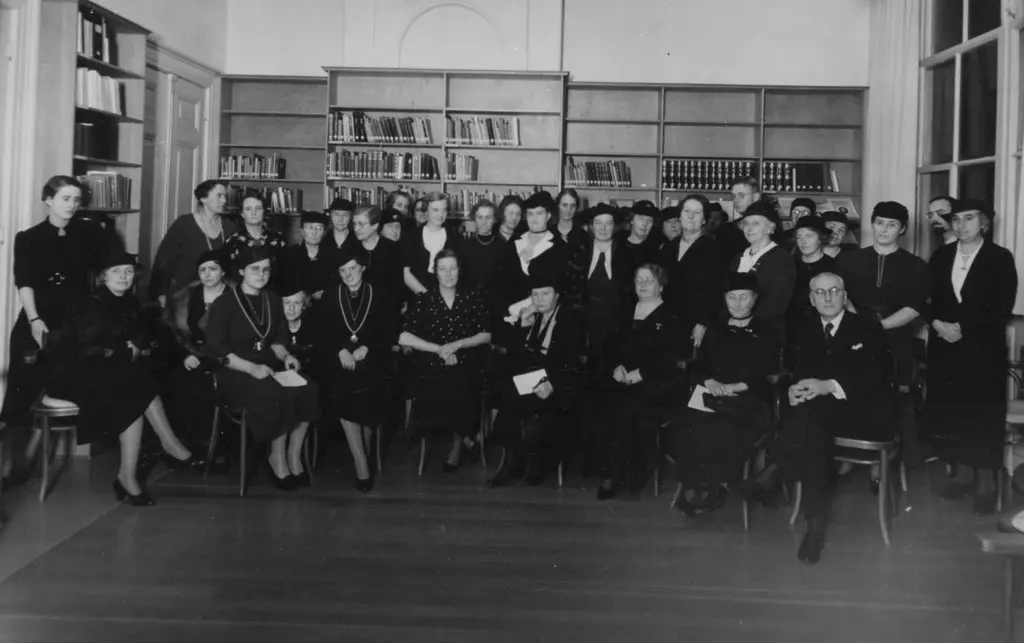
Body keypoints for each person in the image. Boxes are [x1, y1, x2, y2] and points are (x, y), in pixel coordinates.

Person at [47, 252, 205, 506]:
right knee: (136, 386)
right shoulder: (91, 302)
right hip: (79, 372)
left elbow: (141, 337)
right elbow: (85, 345)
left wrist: (135, 344)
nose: (123, 276)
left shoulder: (130, 302)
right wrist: (124, 347)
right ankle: (165, 447)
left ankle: (130, 474)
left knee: (135, 385)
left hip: (116, 372)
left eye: (128, 271)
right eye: (116, 271)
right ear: (103, 277)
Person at [773, 272, 892, 565]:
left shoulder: (868, 327)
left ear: (844, 295)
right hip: (817, 415)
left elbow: (877, 379)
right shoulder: (803, 328)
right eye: (820, 293)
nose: (827, 298)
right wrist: (794, 389)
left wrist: (827, 386)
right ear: (812, 299)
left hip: (861, 412)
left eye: (834, 291)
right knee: (812, 428)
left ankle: (773, 471)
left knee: (808, 423)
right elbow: (797, 370)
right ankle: (815, 524)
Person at [0, 176, 110, 485]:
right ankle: (11, 468)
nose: (72, 205)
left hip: (74, 322)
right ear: (47, 199)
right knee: (19, 394)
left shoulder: (87, 233)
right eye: (65, 198)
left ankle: (35, 456)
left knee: (68, 381)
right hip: (37, 319)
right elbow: (25, 283)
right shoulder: (29, 237)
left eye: (76, 199)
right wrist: (35, 321)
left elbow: (106, 267)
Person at [922, 200, 1017, 514]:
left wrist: (962, 327)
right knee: (953, 412)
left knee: (982, 414)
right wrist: (937, 324)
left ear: (984, 222)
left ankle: (986, 481)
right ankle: (962, 474)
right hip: (945, 349)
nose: (961, 224)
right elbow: (926, 298)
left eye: (969, 218)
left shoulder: (999, 258)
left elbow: (1000, 305)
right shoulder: (940, 257)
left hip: (982, 350)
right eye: (957, 219)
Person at [204, 246, 321, 491]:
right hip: (235, 371)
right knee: (277, 393)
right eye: (255, 268)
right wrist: (250, 368)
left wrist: (287, 356)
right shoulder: (224, 303)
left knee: (308, 388)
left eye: (266, 269)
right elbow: (217, 351)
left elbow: (277, 341)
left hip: (269, 367)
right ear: (241, 272)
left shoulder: (272, 299)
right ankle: (276, 457)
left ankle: (293, 454)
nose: (261, 273)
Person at [668, 272, 780, 516]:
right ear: (724, 300)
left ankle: (709, 491)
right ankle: (700, 486)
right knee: (689, 425)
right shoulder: (715, 330)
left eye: (744, 297)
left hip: (748, 399)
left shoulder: (766, 331)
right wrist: (709, 381)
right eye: (732, 298)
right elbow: (699, 366)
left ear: (755, 299)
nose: (738, 304)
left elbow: (767, 371)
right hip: (712, 393)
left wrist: (736, 387)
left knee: (722, 429)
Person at [487, 268, 586, 487]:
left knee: (518, 400)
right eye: (535, 294)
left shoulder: (569, 319)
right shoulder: (534, 316)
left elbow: (572, 363)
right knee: (507, 394)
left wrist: (553, 384)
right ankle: (513, 460)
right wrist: (522, 327)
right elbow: (516, 355)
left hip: (557, 382)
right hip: (532, 378)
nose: (539, 300)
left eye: (545, 294)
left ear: (557, 294)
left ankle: (531, 460)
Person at [594, 264, 683, 500]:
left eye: (649, 281)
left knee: (627, 409)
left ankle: (633, 474)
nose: (642, 286)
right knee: (601, 401)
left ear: (661, 285)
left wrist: (642, 373)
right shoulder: (625, 311)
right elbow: (609, 345)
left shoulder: (671, 315)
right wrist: (616, 366)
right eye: (638, 281)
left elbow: (671, 357)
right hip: (622, 377)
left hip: (657, 383)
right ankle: (608, 473)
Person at [399, 250, 492, 471]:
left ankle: (458, 445)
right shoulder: (424, 299)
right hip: (432, 362)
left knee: (461, 382)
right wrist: (440, 349)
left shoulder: (472, 297)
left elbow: (486, 334)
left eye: (453, 268)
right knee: (435, 384)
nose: (448, 274)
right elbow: (404, 336)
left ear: (459, 270)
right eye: (443, 269)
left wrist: (457, 345)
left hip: (467, 361)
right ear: (435, 272)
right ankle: (467, 439)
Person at [320, 245, 396, 492]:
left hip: (372, 358)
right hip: (338, 359)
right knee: (343, 385)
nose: (348, 274)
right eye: (343, 270)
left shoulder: (378, 293)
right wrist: (340, 349)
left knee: (370, 383)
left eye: (353, 268)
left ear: (362, 268)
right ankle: (360, 460)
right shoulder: (332, 295)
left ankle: (365, 449)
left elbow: (389, 331)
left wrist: (368, 347)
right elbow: (323, 331)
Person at [838, 201, 929, 391]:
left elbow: (913, 308)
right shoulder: (850, 260)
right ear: (872, 224)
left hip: (896, 334)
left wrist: (878, 327)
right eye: (879, 223)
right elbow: (842, 296)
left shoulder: (916, 265)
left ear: (902, 229)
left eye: (892, 225)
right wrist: (859, 323)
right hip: (854, 328)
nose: (884, 230)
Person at [163, 249, 231, 472]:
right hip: (192, 356)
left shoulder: (235, 296)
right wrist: (185, 356)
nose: (208, 274)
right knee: (177, 383)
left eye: (213, 269)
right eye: (202, 270)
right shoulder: (185, 297)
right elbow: (173, 333)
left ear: (223, 271)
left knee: (212, 389)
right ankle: (189, 450)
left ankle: (217, 450)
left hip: (226, 357)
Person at [150, 179, 237, 305]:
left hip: (220, 296)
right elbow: (163, 262)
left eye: (225, 196)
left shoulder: (229, 226)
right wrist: (160, 294)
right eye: (219, 196)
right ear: (203, 199)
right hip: (184, 297)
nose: (224, 201)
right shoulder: (184, 224)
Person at [660, 194, 727, 357]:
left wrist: (703, 323)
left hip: (696, 324)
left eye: (697, 212)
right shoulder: (668, 248)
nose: (690, 216)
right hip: (668, 320)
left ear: (704, 220)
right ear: (680, 215)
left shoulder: (713, 249)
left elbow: (716, 291)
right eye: (686, 211)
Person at [493, 191, 571, 325]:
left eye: (539, 213)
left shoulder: (559, 246)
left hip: (544, 318)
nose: (534, 218)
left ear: (548, 216)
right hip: (511, 315)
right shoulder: (516, 241)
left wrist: (531, 309)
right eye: (530, 213)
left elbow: (560, 288)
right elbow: (500, 280)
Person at [575, 203, 634, 374]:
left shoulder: (626, 253)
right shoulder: (580, 251)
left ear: (615, 226)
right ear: (591, 226)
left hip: (615, 325)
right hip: (585, 326)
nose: (603, 228)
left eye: (608, 223)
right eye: (598, 223)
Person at [729, 200, 795, 342]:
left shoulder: (782, 259)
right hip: (734, 329)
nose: (749, 229)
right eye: (746, 223)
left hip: (765, 334)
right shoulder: (738, 258)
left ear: (769, 228)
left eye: (756, 223)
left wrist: (747, 323)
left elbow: (777, 304)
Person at [402, 192, 462, 295]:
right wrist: (427, 298)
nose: (440, 214)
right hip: (418, 295)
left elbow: (458, 273)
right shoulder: (412, 237)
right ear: (426, 211)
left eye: (444, 210)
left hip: (447, 296)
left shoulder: (456, 238)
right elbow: (406, 274)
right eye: (435, 210)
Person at [788, 216, 839, 327]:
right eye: (799, 237)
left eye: (809, 236)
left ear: (821, 238)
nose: (803, 241)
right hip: (792, 324)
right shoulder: (789, 266)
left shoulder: (834, 267)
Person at [223, 195, 287, 282]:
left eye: (258, 208)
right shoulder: (232, 242)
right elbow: (228, 275)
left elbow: (285, 273)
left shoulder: (278, 239)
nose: (254, 212)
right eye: (248, 209)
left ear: (264, 212)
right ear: (242, 214)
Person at [352, 204, 404, 303]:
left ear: (375, 225)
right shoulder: (350, 249)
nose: (356, 228)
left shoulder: (393, 249)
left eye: (361, 224)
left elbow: (397, 286)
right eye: (354, 224)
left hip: (387, 308)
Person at [279, 211, 334, 303]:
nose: (314, 233)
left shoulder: (332, 255)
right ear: (302, 231)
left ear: (324, 232)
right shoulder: (288, 255)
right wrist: (308, 294)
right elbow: (284, 285)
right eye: (309, 228)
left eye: (319, 228)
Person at [461, 199, 508, 290]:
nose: (483, 222)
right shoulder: (465, 245)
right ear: (474, 219)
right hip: (470, 297)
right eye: (480, 217)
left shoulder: (504, 246)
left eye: (488, 217)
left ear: (494, 220)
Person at [718, 177, 759, 259]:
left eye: (741, 195)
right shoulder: (727, 229)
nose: (736, 200)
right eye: (733, 196)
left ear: (756, 197)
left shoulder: (767, 226)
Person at [622, 201, 662, 267]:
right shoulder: (618, 246)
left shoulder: (657, 251)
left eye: (649, 220)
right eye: (641, 219)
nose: (645, 223)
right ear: (632, 220)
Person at [323, 196, 360, 263]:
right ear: (330, 216)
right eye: (336, 215)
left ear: (351, 217)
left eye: (345, 215)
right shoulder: (322, 239)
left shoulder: (359, 240)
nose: (340, 219)